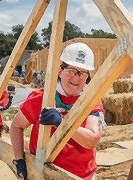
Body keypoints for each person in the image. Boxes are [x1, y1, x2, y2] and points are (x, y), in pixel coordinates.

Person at [10, 42, 106, 180]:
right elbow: (16, 126)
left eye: (83, 73)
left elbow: (92, 140)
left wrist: (61, 122)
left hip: (81, 177)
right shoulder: (40, 98)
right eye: (72, 70)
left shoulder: (92, 102)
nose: (77, 78)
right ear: (60, 71)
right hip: (44, 175)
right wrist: (19, 159)